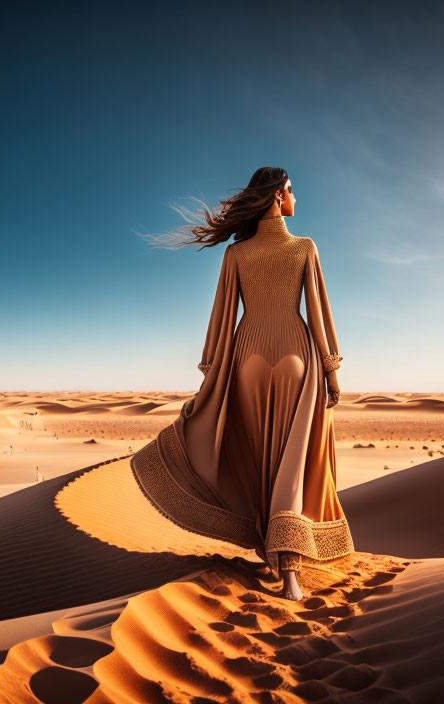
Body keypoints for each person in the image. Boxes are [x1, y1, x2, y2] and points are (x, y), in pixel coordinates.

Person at [130, 167, 353, 600]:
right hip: (296, 355)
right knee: (292, 460)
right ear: (276, 197)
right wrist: (331, 370)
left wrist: (213, 373)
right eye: (291, 191)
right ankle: (289, 571)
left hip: (246, 356)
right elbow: (318, 313)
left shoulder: (236, 254)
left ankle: (266, 546)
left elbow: (222, 318)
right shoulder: (305, 247)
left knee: (253, 458)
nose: (294, 199)